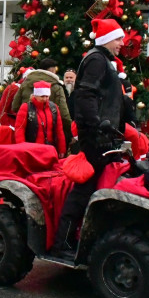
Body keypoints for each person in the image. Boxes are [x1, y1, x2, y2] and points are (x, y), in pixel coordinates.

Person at [53, 19, 128, 255]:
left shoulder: (103, 60)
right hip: (97, 136)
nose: (122, 43)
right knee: (85, 188)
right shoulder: (97, 59)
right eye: (118, 38)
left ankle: (79, 237)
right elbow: (86, 95)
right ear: (106, 39)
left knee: (95, 186)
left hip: (103, 134)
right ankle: (62, 242)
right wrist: (97, 125)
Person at [11, 58, 73, 141]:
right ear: (53, 71)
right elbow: (64, 114)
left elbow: (14, 106)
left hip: (25, 131)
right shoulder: (56, 87)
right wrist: (71, 132)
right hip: (47, 134)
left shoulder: (25, 83)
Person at [14, 81, 67, 156]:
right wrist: (22, 149)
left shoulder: (54, 108)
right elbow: (19, 130)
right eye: (42, 96)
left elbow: (59, 130)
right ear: (35, 95)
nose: (45, 99)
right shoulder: (26, 107)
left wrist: (62, 150)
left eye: (47, 96)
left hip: (50, 149)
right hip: (32, 150)